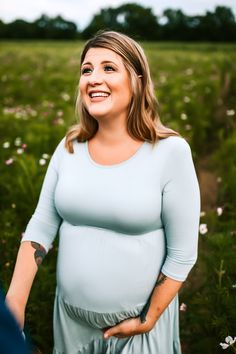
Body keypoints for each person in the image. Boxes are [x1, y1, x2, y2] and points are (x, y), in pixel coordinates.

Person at [6, 30, 201, 354]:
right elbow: (41, 225)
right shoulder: (69, 147)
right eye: (87, 70)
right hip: (70, 327)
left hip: (136, 331)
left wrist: (149, 319)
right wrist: (14, 306)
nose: (94, 78)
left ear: (137, 80)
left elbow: (183, 253)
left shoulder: (170, 152)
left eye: (109, 68)